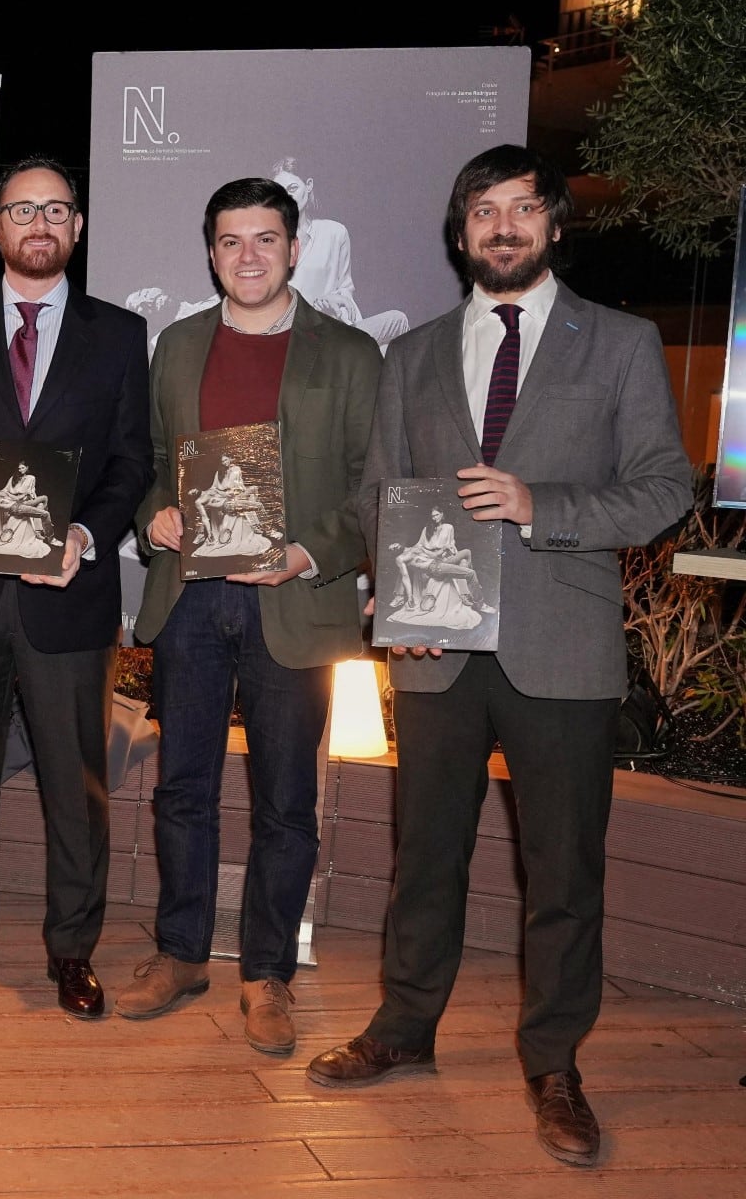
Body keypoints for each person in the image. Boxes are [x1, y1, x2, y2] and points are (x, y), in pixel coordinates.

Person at [308, 146, 693, 1167]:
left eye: (524, 208)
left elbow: (663, 488)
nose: (504, 226)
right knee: (423, 854)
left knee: (563, 869)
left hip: (559, 650)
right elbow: (385, 493)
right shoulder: (418, 352)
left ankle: (555, 1062)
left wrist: (542, 506)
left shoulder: (620, 342)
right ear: (461, 229)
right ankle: (402, 1025)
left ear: (555, 224)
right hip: (437, 648)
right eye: (485, 210)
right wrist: (388, 593)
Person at [122, 177, 382, 1054]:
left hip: (294, 602)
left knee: (285, 803)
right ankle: (180, 951)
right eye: (231, 241)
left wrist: (308, 552)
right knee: (182, 790)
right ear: (211, 253)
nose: (249, 256)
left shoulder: (349, 355)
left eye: (266, 239)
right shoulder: (179, 345)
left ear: (296, 248)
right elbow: (157, 465)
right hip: (191, 599)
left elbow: (369, 493)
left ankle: (266, 973)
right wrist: (152, 514)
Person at [0, 156, 151, 1019]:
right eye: (22, 209)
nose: (39, 224)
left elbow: (133, 461)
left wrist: (87, 534)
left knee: (74, 787)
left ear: (76, 227)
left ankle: (71, 951)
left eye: (56, 210)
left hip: (68, 598)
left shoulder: (119, 334)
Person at [269, 157, 410, 349]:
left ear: (308, 185)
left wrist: (338, 304)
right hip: (300, 340)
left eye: (292, 189)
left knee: (396, 325)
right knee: (387, 343)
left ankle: (352, 362)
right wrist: (317, 305)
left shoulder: (334, 233)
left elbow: (345, 289)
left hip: (337, 330)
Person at [388, 506, 482, 628]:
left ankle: (466, 591)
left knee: (465, 558)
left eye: (437, 515)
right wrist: (403, 548)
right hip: (433, 562)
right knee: (404, 567)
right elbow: (418, 546)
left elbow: (450, 543)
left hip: (444, 557)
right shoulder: (426, 530)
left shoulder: (448, 527)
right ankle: (399, 596)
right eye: (433, 516)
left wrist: (450, 550)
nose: (435, 518)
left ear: (442, 514)